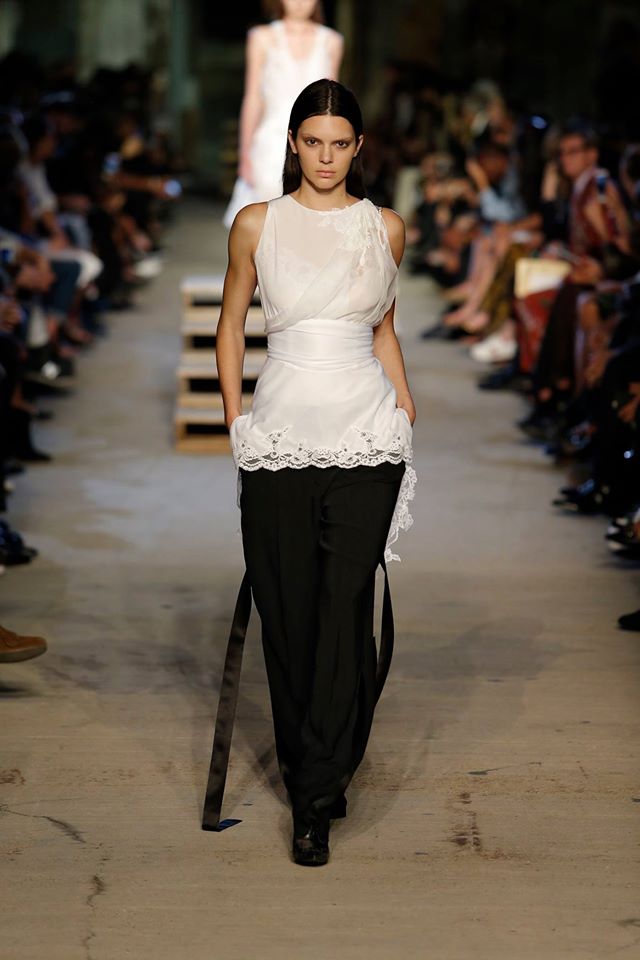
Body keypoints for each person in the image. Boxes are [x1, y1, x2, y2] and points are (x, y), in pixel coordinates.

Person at [205, 79, 417, 867]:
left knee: (343, 610)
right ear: (293, 143)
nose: (326, 157)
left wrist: (405, 404)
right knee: (289, 615)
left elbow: (384, 328)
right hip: (280, 436)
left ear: (359, 148)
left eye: (340, 144)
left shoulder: (385, 228)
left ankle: (315, 795)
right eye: (313, 142)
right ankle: (317, 761)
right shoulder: (257, 224)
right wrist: (237, 420)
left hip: (367, 437)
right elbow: (232, 323)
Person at [222, 0, 344, 228]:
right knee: (264, 224)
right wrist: (245, 153)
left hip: (316, 143)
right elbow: (253, 98)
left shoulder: (331, 41)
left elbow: (333, 102)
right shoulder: (261, 37)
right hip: (269, 143)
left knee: (309, 223)